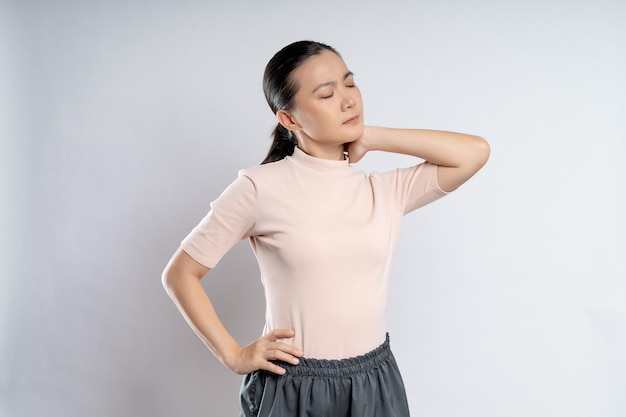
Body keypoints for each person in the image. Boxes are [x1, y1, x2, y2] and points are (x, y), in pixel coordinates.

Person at [162, 40, 490, 417]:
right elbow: (181, 274)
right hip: (294, 386)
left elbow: (475, 152)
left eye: (349, 84)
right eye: (326, 93)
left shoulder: (383, 190)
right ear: (289, 119)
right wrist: (234, 354)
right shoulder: (258, 188)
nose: (348, 100)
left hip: (374, 379)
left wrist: (374, 137)